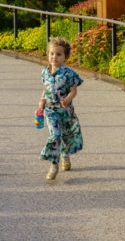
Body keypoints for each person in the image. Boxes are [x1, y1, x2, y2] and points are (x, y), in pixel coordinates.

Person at [38, 37, 84, 180]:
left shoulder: (69, 73)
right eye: (52, 53)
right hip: (51, 111)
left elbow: (73, 91)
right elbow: (46, 87)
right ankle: (53, 164)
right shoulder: (45, 72)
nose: (54, 57)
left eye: (58, 54)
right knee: (55, 135)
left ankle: (65, 155)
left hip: (65, 111)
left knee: (65, 136)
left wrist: (68, 99)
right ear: (48, 54)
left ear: (65, 57)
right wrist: (42, 99)